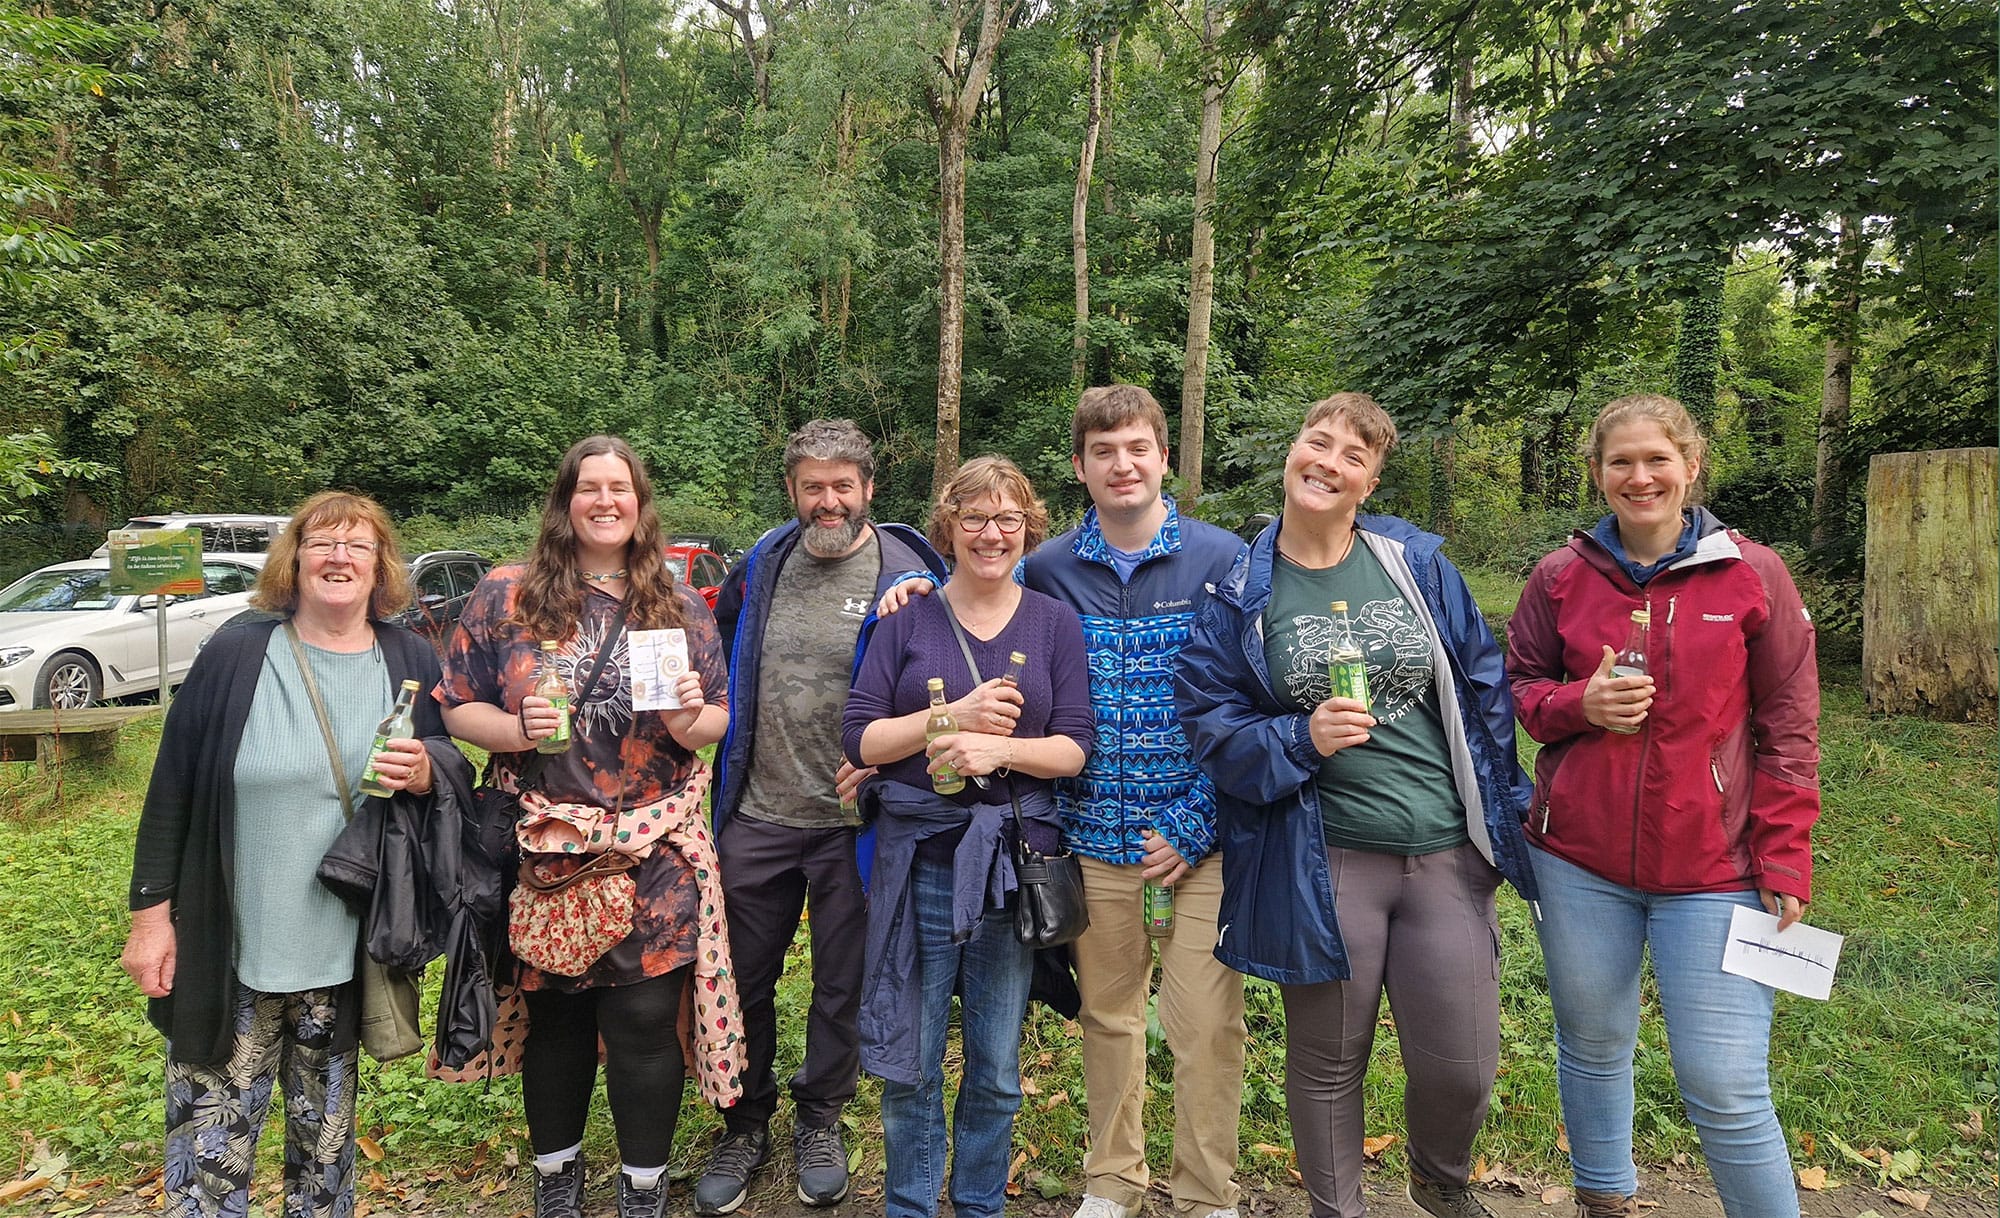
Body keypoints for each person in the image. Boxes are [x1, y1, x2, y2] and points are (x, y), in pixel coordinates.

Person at [1175, 393, 1539, 1218]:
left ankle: (1439, 1180)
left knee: (1463, 1066)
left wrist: (1500, 816)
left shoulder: (1417, 568)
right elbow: (1211, 727)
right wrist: (1300, 736)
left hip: (1445, 850)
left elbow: (1484, 688)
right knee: (1329, 1061)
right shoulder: (1238, 591)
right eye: (1319, 442)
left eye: (1353, 455)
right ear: (1293, 450)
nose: (1329, 462)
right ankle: (1336, 1210)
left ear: (1370, 482)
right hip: (1326, 857)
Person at [1506, 394, 1819, 1218]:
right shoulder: (1560, 576)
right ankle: (1603, 1200)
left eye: (1657, 459)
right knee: (1593, 1044)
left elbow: (1790, 727)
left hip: (1715, 868)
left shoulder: (1753, 574)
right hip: (1578, 862)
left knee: (1726, 1084)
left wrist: (1784, 854)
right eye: (1621, 462)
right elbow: (1519, 691)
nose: (1639, 477)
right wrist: (1579, 704)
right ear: (1597, 473)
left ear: (1691, 465)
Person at [122, 491, 466, 1218]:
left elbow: (447, 762)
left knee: (325, 1157)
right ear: (295, 559)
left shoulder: (407, 656)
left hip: (344, 955)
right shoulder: (237, 652)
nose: (339, 557)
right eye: (322, 543)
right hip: (233, 950)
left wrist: (426, 770)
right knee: (210, 1157)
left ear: (380, 566)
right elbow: (172, 785)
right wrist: (150, 918)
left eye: (358, 545)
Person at [437, 435, 736, 1218]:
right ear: (565, 502)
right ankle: (557, 1176)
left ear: (640, 504)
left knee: (644, 1017)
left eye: (620, 488)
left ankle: (644, 1184)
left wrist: (688, 718)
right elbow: (457, 705)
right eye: (589, 488)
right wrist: (515, 730)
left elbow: (716, 720)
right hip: (548, 843)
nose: (606, 501)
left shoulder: (676, 605)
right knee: (559, 1013)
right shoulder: (507, 594)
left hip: (653, 840)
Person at [693, 419, 946, 1215]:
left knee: (842, 984)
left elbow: (938, 683)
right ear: (793, 490)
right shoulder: (764, 562)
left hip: (854, 825)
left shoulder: (908, 573)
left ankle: (820, 1118)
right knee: (742, 980)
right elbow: (718, 655)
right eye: (813, 486)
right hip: (757, 812)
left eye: (842, 485)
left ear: (869, 488)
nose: (828, 501)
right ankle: (744, 1122)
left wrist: (886, 761)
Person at [843, 455, 1094, 1218]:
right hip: (920, 861)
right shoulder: (905, 618)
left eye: (1008, 518)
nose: (992, 534)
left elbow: (1074, 749)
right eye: (975, 518)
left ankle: (981, 1205)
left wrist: (999, 750)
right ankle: (911, 1206)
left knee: (995, 1069)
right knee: (911, 1065)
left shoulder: (1053, 623)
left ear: (1029, 528)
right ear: (947, 528)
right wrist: (951, 718)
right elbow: (861, 739)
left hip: (1010, 868)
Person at [1027, 386, 1248, 1218]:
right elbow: (973, 609)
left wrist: (1196, 822)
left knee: (1205, 1026)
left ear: (1164, 459)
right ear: (1080, 466)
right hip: (1092, 840)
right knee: (1108, 1019)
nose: (1122, 465)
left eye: (1137, 448)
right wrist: (908, 586)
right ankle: (1113, 1181)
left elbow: (1253, 700)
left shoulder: (1224, 560)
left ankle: (1207, 1194)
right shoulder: (1047, 568)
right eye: (1104, 451)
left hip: (1202, 843)